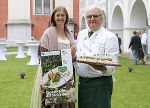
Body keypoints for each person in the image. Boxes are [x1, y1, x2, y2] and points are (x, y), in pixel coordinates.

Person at [76, 6, 119, 108]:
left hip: (100, 83)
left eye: (95, 16)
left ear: (101, 18)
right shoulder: (81, 34)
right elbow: (78, 54)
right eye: (89, 16)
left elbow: (113, 62)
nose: (92, 19)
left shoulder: (109, 37)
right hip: (83, 83)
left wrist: (103, 68)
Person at [38, 6, 76, 108]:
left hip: (68, 73)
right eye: (58, 15)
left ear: (66, 17)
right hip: (52, 73)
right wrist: (41, 80)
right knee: (53, 102)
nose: (60, 17)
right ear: (54, 17)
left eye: (62, 15)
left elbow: (72, 58)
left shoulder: (70, 34)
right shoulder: (48, 33)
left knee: (66, 101)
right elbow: (43, 59)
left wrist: (72, 53)